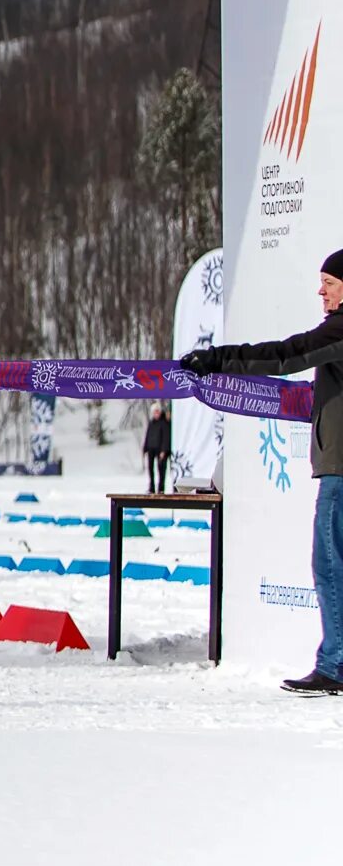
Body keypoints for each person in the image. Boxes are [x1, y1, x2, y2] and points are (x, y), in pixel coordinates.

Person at [184, 246, 343, 696]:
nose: (321, 291)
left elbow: (284, 355)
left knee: (330, 565)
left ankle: (336, 664)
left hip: (341, 470)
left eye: (329, 284)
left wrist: (219, 359)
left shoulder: (342, 327)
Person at [143, 404, 173, 494]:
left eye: (157, 411)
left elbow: (166, 437)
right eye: (154, 412)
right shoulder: (151, 423)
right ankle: (151, 488)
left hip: (161, 450)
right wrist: (145, 448)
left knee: (161, 470)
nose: (156, 413)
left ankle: (161, 489)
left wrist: (164, 450)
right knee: (150, 469)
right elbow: (147, 436)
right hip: (151, 449)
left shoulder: (164, 423)